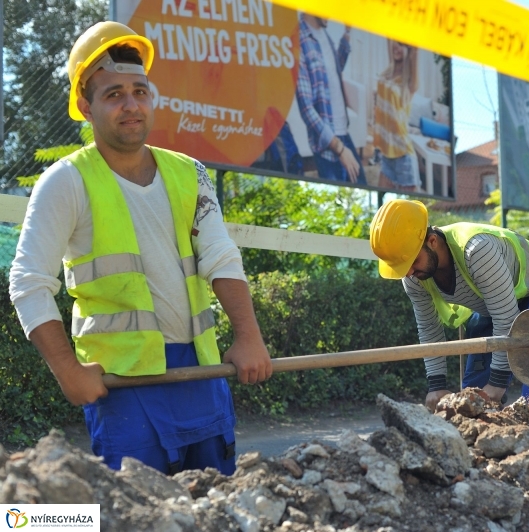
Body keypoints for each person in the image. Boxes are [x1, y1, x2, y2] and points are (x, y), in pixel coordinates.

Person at [7, 21, 272, 475]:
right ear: (86, 108)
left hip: (199, 372)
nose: (131, 105)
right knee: (135, 515)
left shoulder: (190, 173)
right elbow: (28, 283)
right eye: (113, 95)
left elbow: (221, 257)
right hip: (123, 385)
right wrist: (68, 371)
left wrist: (248, 337)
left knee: (212, 510)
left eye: (140, 91)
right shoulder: (66, 182)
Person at [369, 199, 529, 411]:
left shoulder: (477, 250)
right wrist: (436, 387)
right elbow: (429, 329)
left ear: (432, 241)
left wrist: (497, 384)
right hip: (494, 305)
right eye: (402, 266)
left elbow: (506, 317)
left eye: (412, 262)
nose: (408, 273)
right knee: (472, 398)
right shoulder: (412, 276)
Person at [296, 14, 366, 185]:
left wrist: (347, 33)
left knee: (362, 183)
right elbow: (307, 109)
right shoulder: (298, 41)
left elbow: (334, 70)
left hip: (343, 132)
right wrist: (340, 150)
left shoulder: (323, 34)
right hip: (328, 143)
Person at [374, 40, 420, 192]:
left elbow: (414, 54)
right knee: (381, 208)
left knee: (411, 211)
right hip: (387, 153)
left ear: (409, 50)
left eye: (401, 44)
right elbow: (389, 37)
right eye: (395, 43)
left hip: (403, 156)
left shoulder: (409, 83)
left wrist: (414, 52)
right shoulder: (388, 72)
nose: (396, 47)